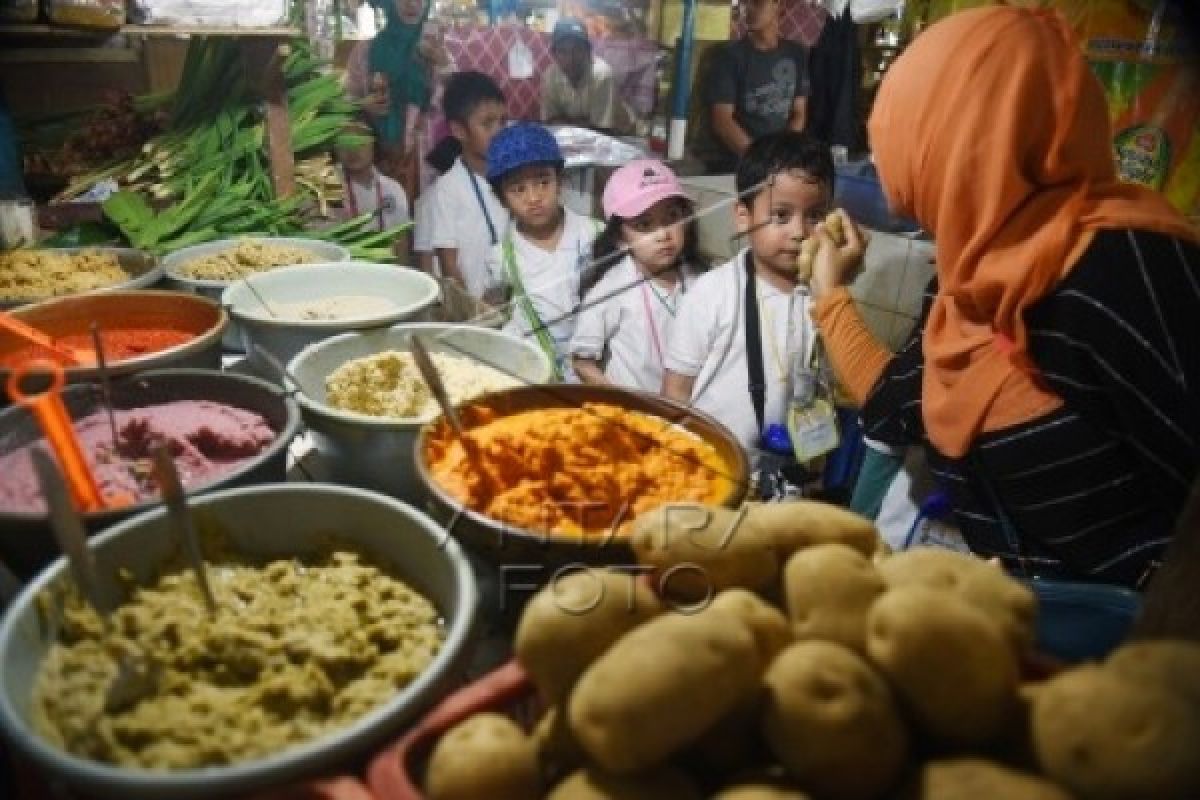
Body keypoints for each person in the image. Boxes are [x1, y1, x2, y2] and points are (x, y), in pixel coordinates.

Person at [808, 6, 1200, 588]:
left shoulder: (1127, 266)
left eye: (907, 128)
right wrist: (829, 291)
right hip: (1023, 629)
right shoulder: (973, 270)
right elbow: (896, 404)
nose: (891, 166)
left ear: (965, 138)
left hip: (1134, 654)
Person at [663, 131, 829, 453]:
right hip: (711, 466)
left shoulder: (822, 296)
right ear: (743, 217)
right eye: (781, 215)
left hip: (785, 474)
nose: (799, 232)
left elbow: (821, 387)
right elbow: (675, 391)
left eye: (815, 216)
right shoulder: (712, 294)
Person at [571, 159, 704, 392]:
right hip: (635, 412)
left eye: (672, 217)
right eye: (644, 224)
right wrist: (619, 400)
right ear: (620, 239)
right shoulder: (611, 289)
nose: (664, 234)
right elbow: (582, 362)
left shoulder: (699, 280)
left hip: (687, 407)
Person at [484, 123, 598, 381]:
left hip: (591, 372)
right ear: (502, 198)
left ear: (560, 181)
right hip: (529, 374)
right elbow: (495, 308)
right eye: (518, 189)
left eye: (543, 182)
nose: (533, 197)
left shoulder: (594, 235)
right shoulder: (502, 256)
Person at [426, 71, 509, 299]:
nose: (498, 132)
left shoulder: (514, 179)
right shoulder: (447, 189)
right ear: (459, 130)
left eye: (503, 122)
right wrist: (473, 313)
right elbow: (448, 266)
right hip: (474, 312)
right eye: (487, 124)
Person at [704, 0, 810, 173]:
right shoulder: (730, 57)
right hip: (738, 161)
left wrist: (783, 154)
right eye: (745, 3)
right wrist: (759, 160)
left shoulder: (796, 54)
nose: (748, 9)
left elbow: (799, 113)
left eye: (757, 3)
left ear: (779, 5)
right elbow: (722, 121)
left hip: (780, 159)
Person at [343, 0, 447, 172]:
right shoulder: (364, 52)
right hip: (378, 165)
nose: (412, 4)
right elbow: (343, 105)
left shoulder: (439, 51)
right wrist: (362, 106)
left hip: (429, 163)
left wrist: (444, 67)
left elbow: (457, 106)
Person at [334, 121, 411, 262]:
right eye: (345, 143)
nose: (353, 150)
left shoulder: (393, 189)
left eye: (361, 141)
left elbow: (401, 244)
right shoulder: (327, 190)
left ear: (374, 143)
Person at [540, 18, 634, 134]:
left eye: (578, 50)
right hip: (578, 136)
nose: (570, 59)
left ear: (588, 52)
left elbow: (602, 129)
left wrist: (566, 122)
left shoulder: (602, 75)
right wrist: (581, 123)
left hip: (622, 136)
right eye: (563, 51)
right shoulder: (550, 75)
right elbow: (551, 121)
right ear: (554, 54)